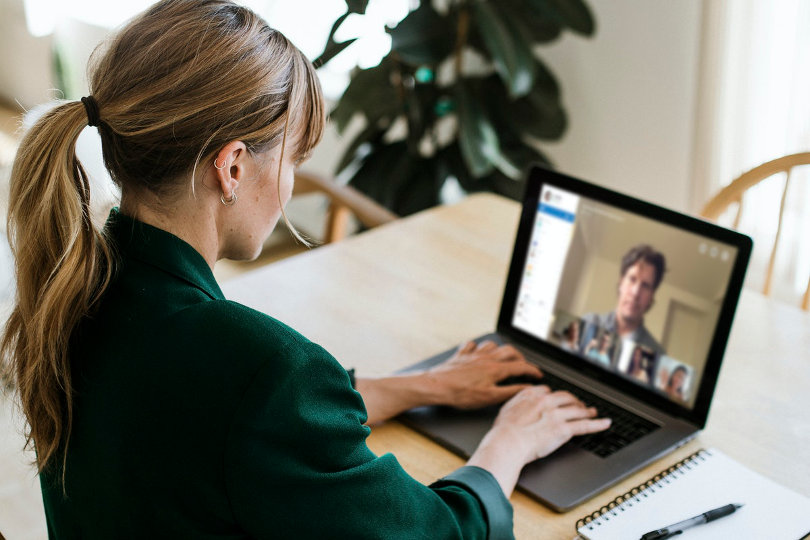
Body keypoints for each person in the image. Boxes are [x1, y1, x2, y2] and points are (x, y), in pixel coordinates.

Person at [0, 1, 610, 538]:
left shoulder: (74, 287)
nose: (290, 188)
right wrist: (510, 442)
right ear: (232, 167)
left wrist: (425, 387)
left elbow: (236, 425)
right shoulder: (260, 368)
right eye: (292, 158)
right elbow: (436, 533)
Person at [580, 244, 667, 362]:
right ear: (621, 282)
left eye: (645, 286)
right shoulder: (588, 323)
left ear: (651, 296)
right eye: (632, 279)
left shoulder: (658, 355)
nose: (636, 292)